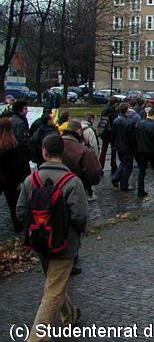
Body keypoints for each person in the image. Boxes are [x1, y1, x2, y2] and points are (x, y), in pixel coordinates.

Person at [16, 134, 88, 340]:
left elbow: (21, 211)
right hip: (64, 244)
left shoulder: (31, 180)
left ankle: (69, 315)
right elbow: (80, 216)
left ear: (44, 152)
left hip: (39, 241)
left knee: (54, 282)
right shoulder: (72, 182)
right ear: (62, 153)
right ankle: (36, 337)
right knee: (53, 290)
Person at [0, 118, 30, 232]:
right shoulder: (15, 144)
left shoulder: (5, 146)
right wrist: (21, 179)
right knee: (14, 205)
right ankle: (18, 227)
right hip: (13, 181)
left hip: (4, 179)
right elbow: (20, 164)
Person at [61, 120, 102, 202]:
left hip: (58, 186)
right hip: (78, 187)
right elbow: (93, 173)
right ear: (79, 131)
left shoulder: (56, 144)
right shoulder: (82, 150)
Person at [111, 102, 137, 191]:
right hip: (127, 147)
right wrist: (134, 148)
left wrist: (113, 145)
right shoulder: (130, 122)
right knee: (128, 165)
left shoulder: (116, 121)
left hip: (119, 146)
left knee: (123, 163)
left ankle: (118, 179)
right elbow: (132, 137)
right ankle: (122, 183)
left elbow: (113, 135)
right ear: (126, 110)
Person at [98, 97, 118, 173]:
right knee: (113, 149)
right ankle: (113, 165)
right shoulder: (113, 112)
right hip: (111, 133)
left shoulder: (104, 110)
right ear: (115, 103)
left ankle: (101, 166)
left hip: (104, 132)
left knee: (103, 150)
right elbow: (114, 123)